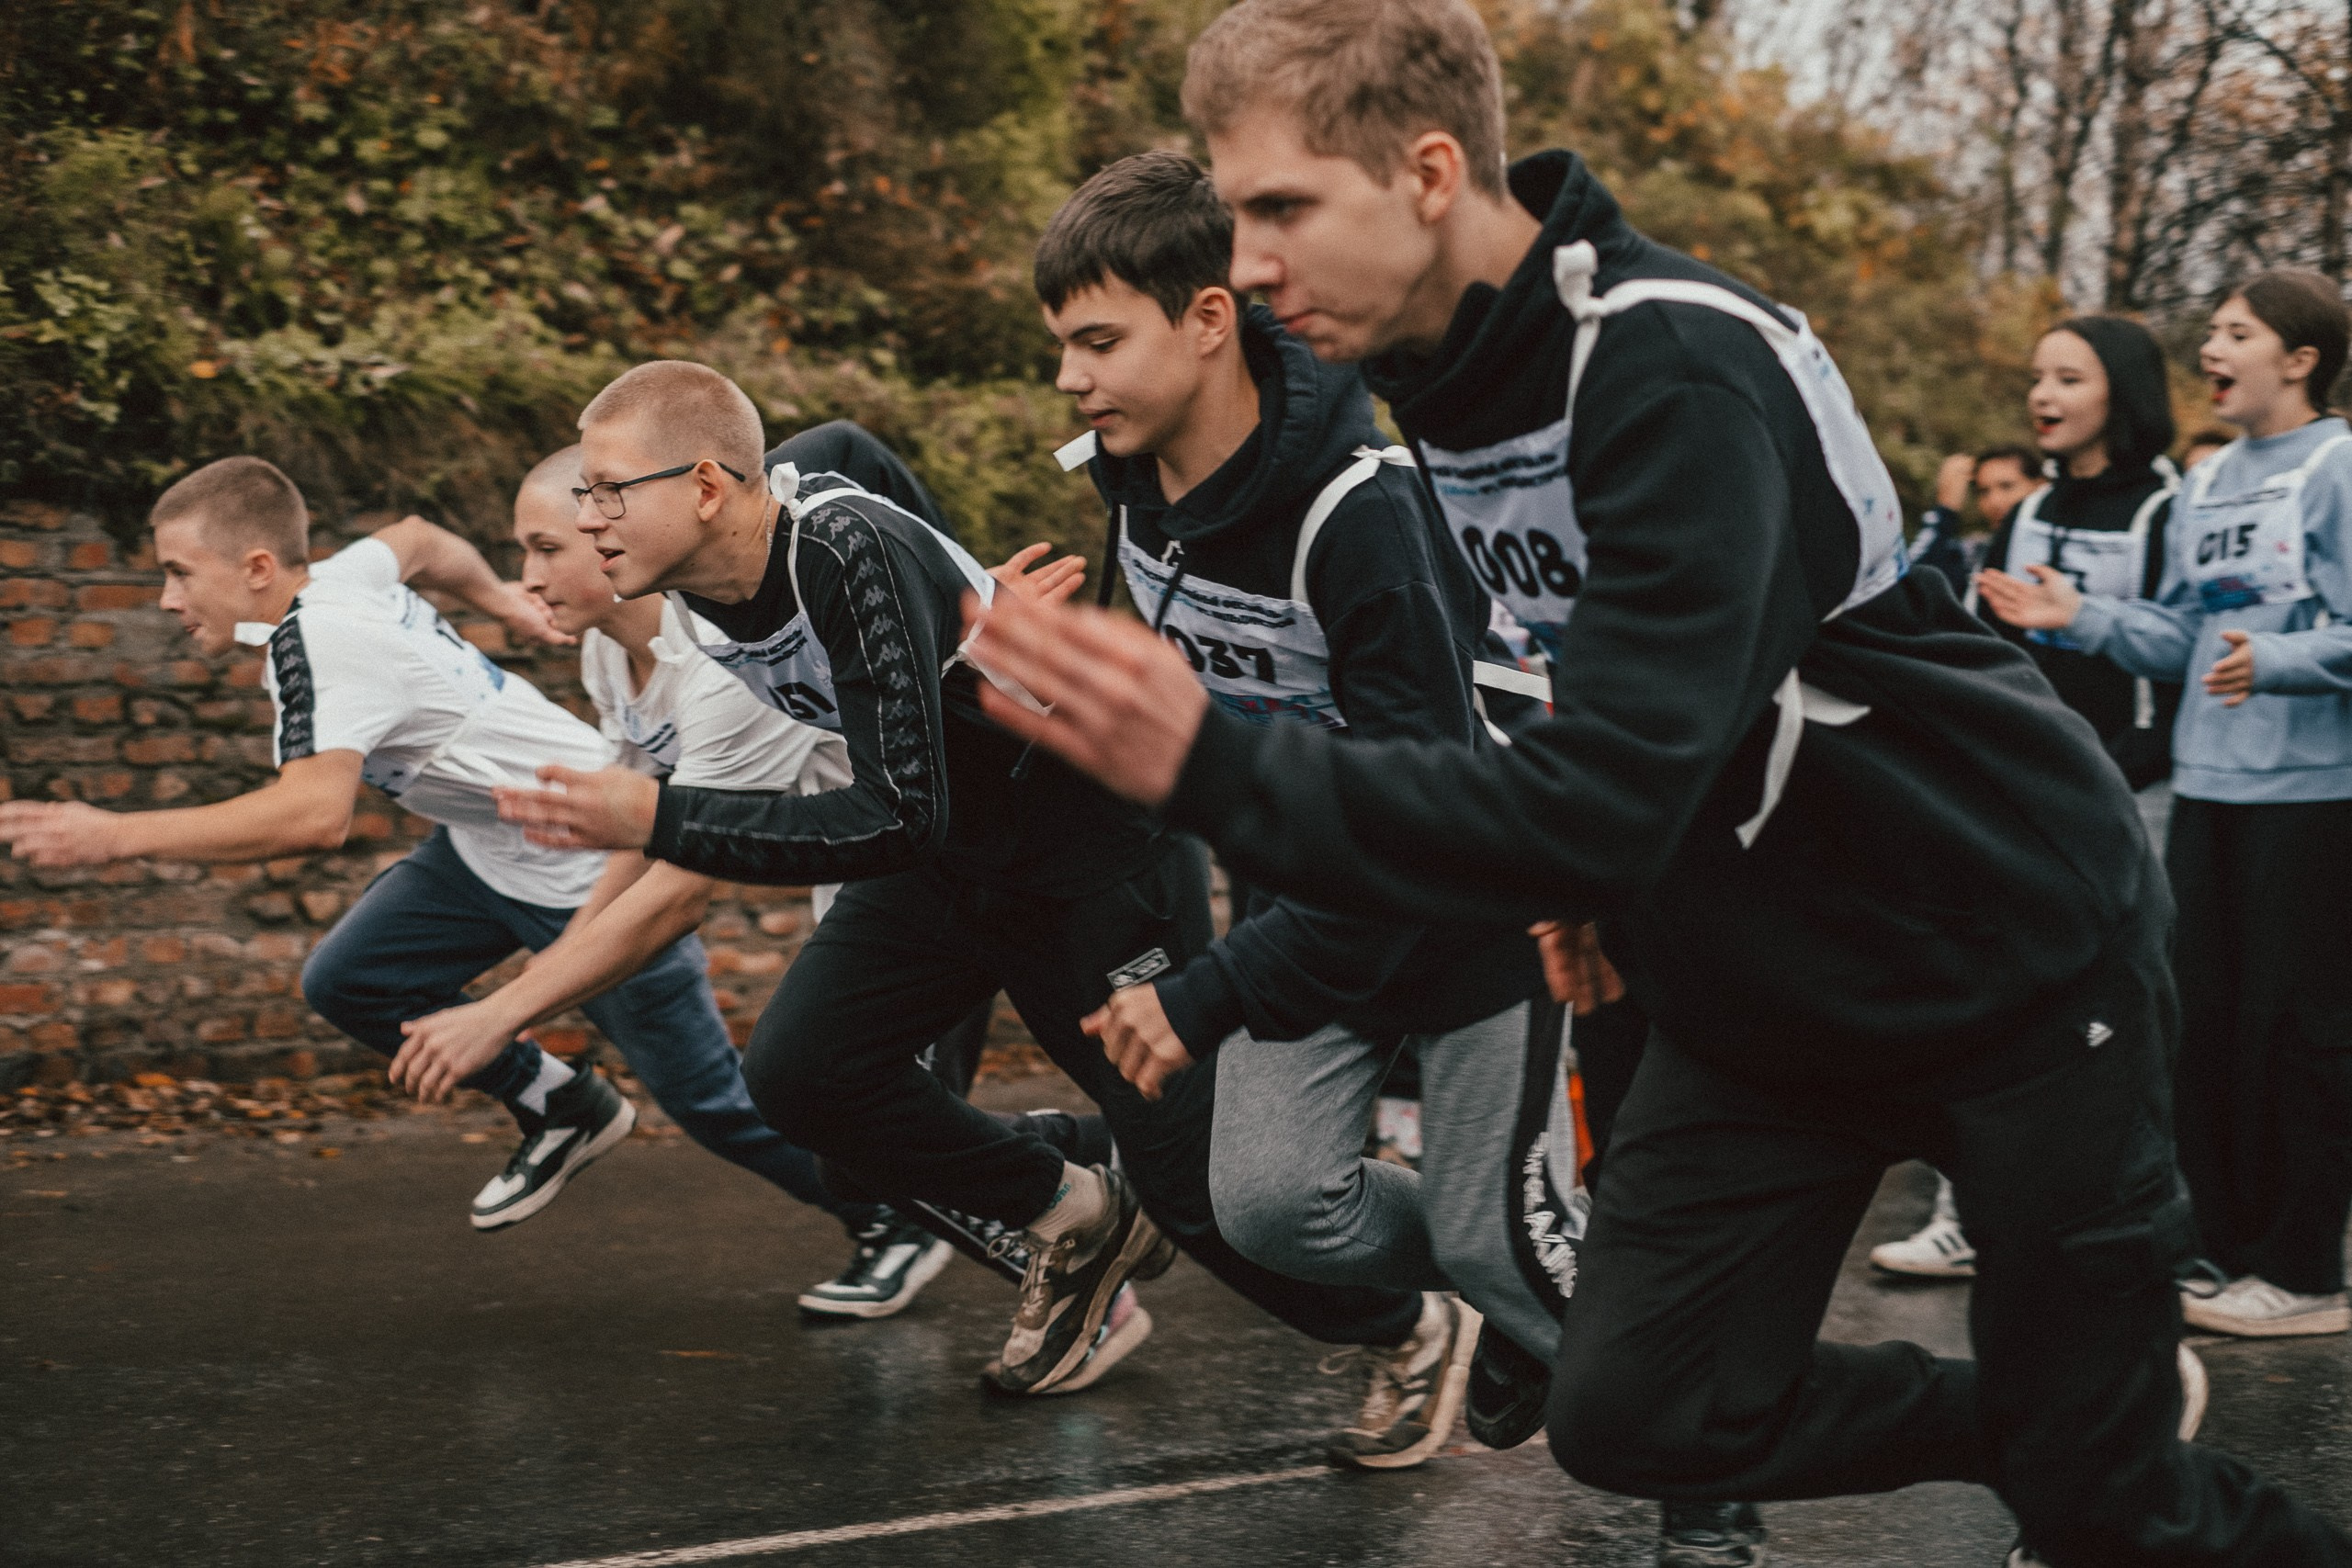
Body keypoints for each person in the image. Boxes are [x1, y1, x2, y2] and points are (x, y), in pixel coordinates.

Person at [958, 2, 2352, 1561]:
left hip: (2007, 953)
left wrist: (1211, 762)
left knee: (2114, 1516)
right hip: (1762, 986)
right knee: (1633, 1408)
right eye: (1238, 220)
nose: (1255, 265)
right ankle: (2058, 1415)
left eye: (1282, 210)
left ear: (1428, 173)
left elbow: (1605, 776)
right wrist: (1585, 882)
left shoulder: (1669, 363)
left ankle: (2093, 1446)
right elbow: (1593, 683)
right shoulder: (1455, 370)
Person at [488, 367, 1430, 1404]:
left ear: (708, 487)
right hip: (951, 863)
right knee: (805, 1076)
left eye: (609, 491)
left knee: (1207, 1193)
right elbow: (846, 438)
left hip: (1090, 864)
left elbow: (891, 815)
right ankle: (1079, 1213)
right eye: (583, 495)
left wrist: (658, 815)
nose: (588, 520)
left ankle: (1418, 1325)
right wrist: (967, 599)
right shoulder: (703, 577)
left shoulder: (841, 552)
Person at [1034, 149, 1571, 1472]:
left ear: (1208, 319)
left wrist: (1212, 990)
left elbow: (1414, 825)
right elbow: (1188, 709)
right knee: (1270, 1206)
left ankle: (1699, 1469)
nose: (1069, 377)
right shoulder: (1136, 489)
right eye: (1061, 345)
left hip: (1469, 908)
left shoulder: (1361, 514)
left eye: (1098, 341)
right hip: (1309, 902)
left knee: (1538, 1271)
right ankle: (1505, 1264)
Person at [0, 458, 786, 1242]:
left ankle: (894, 1210)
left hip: (587, 868)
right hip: (485, 849)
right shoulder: (342, 579)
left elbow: (312, 815)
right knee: (351, 979)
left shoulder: (316, 639)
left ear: (257, 568)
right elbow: (419, 539)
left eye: (179, 573)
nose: (168, 598)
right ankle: (564, 1102)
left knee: (715, 1105)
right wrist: (500, 606)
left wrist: (111, 834)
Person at [384, 444, 1012, 1321]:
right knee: (847, 1116)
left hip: (937, 856)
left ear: (614, 543)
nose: (527, 578)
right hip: (865, 870)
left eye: (547, 547)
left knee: (883, 1120)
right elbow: (643, 837)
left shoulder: (714, 662)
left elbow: (684, 885)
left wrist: (503, 1011)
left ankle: (1088, 1244)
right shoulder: (613, 656)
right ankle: (1071, 1234)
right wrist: (557, 965)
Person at [1976, 269, 2352, 1344]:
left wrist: (2276, 658)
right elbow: (2183, 636)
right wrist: (2081, 615)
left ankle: (2303, 1269)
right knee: (2208, 1028)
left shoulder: (2334, 465)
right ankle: (2225, 1252)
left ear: (2299, 359)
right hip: (2211, 781)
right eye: (2211, 334)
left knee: (2298, 1032)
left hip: (2315, 792)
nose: (2211, 352)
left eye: (2236, 334)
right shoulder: (2213, 479)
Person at [1878, 319, 2186, 1283]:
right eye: (2037, 377)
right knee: (1998, 999)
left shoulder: (2172, 506)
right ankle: (1965, 1215)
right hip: (2027, 797)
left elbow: (2177, 665)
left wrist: (2113, 777)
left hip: (2140, 793)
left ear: (2121, 394)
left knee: (2118, 1017)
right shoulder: (2027, 510)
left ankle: (2134, 1229)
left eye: (2068, 377)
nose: (2042, 395)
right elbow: (1981, 654)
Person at [1912, 446, 2036, 599]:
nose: (1994, 502)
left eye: (2006, 486)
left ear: (2040, 484)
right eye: (1984, 492)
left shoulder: (2061, 546)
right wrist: (1945, 509)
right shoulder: (1976, 554)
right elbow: (1914, 585)